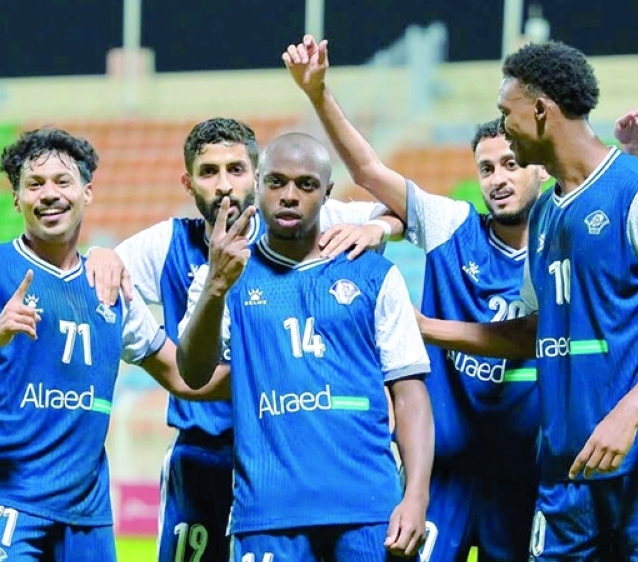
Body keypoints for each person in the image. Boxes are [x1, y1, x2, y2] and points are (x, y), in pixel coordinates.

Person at [282, 34, 638, 562]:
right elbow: (369, 173)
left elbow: (600, 200)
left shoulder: (562, 238)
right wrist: (318, 94)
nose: (498, 180)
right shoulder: (452, 225)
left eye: (509, 164)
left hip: (528, 478)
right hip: (447, 478)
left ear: (538, 164)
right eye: (486, 169)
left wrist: (627, 155)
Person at [417, 41, 638, 560]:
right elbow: (529, 333)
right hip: (565, 475)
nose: (503, 127)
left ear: (540, 110)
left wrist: (630, 412)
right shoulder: (544, 217)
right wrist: (417, 325)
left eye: (505, 114)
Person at [83, 117, 405, 562]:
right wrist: (102, 254)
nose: (223, 186)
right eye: (209, 172)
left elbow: (406, 212)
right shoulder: (167, 244)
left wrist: (379, 229)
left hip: (292, 455)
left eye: (236, 170)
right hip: (205, 453)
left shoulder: (313, 219)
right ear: (187, 181)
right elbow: (97, 278)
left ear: (257, 176)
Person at [0, 128, 201, 561]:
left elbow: (184, 378)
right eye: (34, 184)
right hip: (8, 501)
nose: (49, 194)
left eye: (63, 181)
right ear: (17, 198)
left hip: (87, 517)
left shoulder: (110, 287)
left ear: (87, 192)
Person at [177, 133, 433, 561]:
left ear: (327, 192)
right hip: (267, 514)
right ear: (257, 185)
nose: (289, 196)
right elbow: (193, 372)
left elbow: (410, 394)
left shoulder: (374, 275)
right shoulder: (222, 275)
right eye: (276, 182)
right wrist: (216, 289)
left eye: (306, 184)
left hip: (368, 509)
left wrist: (417, 496)